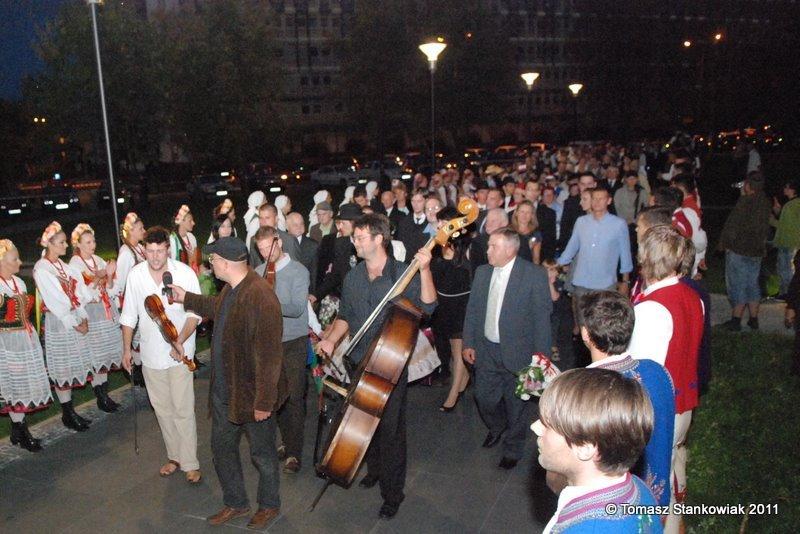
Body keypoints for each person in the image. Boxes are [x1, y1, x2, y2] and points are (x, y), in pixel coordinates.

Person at [316, 213, 436, 520]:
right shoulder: (354, 276)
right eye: (354, 238)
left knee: (391, 431)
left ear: (379, 239)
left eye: (359, 238)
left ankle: (393, 494)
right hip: (359, 360)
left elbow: (428, 306)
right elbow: (345, 316)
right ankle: (375, 469)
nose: (354, 242)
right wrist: (330, 339)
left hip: (391, 364)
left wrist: (424, 270)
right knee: (364, 420)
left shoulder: (402, 273)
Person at [172, 237, 287, 530]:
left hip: (253, 396)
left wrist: (264, 402)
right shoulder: (231, 289)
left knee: (262, 454)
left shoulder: (261, 296)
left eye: (213, 261)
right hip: (226, 392)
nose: (210, 266)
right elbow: (217, 307)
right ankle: (236, 502)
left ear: (225, 263)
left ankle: (269, 505)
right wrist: (186, 297)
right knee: (221, 449)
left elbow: (270, 357)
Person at [626, 225, 703, 534]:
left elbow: (642, 373)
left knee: (655, 484)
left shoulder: (652, 308)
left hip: (660, 412)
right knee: (672, 467)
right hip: (685, 404)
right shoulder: (692, 295)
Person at [531, 368, 662, 534]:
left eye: (547, 424)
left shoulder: (585, 529)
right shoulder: (640, 489)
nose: (535, 427)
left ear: (584, 448)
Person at [462, 228, 552, 470]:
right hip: (486, 351)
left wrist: (540, 363)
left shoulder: (534, 275)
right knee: (484, 398)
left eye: (494, 247)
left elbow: (542, 321)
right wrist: (468, 342)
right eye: (488, 245)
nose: (487, 251)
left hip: (519, 354)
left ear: (510, 250)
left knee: (517, 407)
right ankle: (497, 426)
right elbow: (473, 310)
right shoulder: (482, 272)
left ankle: (513, 448)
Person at [119, 226, 202, 484]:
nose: (155, 257)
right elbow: (129, 315)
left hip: (181, 353)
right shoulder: (136, 275)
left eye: (160, 251)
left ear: (168, 249)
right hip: (151, 355)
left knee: (182, 408)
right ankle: (174, 456)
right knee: (162, 409)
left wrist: (179, 341)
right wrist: (126, 349)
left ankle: (190, 462)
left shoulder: (184, 273)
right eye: (150, 251)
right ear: (144, 250)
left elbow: (194, 314)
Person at [578, 291, 675, 507]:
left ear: (585, 333)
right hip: (656, 502)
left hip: (610, 506)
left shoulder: (588, 391)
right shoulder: (658, 372)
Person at [253, 226, 310, 475]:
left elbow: (297, 309)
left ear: (279, 243)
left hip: (294, 341)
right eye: (261, 249)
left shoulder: (298, 271)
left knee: (294, 397)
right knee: (276, 398)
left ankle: (294, 453)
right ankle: (286, 442)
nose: (266, 253)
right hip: (269, 343)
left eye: (269, 246)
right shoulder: (258, 273)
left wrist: (268, 300)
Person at [33, 222, 97, 432]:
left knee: (71, 364)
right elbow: (56, 301)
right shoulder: (42, 269)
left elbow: (79, 292)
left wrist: (82, 316)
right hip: (59, 322)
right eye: (61, 242)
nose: (66, 246)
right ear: (50, 244)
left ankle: (71, 411)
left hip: (72, 317)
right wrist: (75, 322)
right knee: (63, 367)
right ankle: (67, 412)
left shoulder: (62, 266)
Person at [0, 239, 52, 451]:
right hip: (6, 343)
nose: (20, 262)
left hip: (24, 339)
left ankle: (17, 430)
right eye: (15, 259)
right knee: (14, 384)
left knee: (22, 383)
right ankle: (22, 432)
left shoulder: (18, 283)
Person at [68, 223, 123, 413]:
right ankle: (100, 395)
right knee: (95, 353)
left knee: (105, 352)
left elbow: (111, 289)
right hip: (91, 312)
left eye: (93, 241)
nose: (93, 245)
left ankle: (104, 394)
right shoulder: (75, 265)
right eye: (88, 242)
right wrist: (99, 277)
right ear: (78, 244)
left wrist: (109, 276)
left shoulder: (98, 259)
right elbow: (80, 294)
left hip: (104, 310)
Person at [430, 207, 472, 411]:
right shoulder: (436, 246)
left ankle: (453, 395)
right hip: (442, 306)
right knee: (454, 354)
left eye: (443, 222)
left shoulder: (467, 248)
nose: (438, 226)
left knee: (458, 351)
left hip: (462, 306)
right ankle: (464, 380)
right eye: (438, 222)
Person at [717, 172, 771, 331]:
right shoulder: (765, 202)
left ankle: (736, 320)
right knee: (752, 283)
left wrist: (724, 243)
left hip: (740, 249)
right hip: (756, 250)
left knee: (738, 284)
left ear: (748, 185)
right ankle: (753, 319)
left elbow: (733, 224)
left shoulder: (745, 201)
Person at [558, 188, 633, 297]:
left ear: (608, 201)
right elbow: (571, 248)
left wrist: (625, 281)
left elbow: (625, 254)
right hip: (581, 281)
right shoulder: (581, 221)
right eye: (594, 198)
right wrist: (557, 264)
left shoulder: (619, 224)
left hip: (605, 284)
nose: (597, 202)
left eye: (601, 199)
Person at [312, 203, 361, 304]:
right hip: (344, 297)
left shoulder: (370, 244)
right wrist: (316, 295)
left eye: (343, 223)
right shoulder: (341, 243)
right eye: (339, 223)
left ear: (355, 224)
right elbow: (335, 275)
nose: (340, 227)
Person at [542, 259, 575, 370]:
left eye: (552, 269)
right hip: (547, 313)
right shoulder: (539, 282)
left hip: (560, 313)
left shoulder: (560, 281)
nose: (549, 272)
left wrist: (550, 282)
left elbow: (555, 297)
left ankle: (554, 347)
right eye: (546, 269)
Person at [770, 181, 800, 298]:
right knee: (785, 269)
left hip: (789, 242)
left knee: (786, 269)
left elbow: (785, 226)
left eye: (787, 187)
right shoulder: (792, 204)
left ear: (793, 190)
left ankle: (787, 293)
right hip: (790, 241)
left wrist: (771, 219)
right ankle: (785, 292)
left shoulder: (792, 205)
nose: (784, 189)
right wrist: (779, 212)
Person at [248, 203, 299, 267]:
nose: (263, 222)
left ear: (276, 219)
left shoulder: (289, 240)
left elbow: (295, 267)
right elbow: (253, 266)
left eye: (267, 218)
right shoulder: (254, 240)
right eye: (261, 218)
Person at [285, 212, 318, 295]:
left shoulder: (313, 245)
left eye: (301, 224)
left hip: (304, 291)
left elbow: (314, 272)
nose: (299, 227)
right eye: (295, 225)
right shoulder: (280, 243)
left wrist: (312, 294)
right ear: (287, 227)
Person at [396, 190, 430, 257]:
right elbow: (400, 245)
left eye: (419, 201)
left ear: (426, 201)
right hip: (407, 260)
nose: (415, 205)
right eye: (413, 201)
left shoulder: (431, 222)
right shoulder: (404, 221)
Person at [170, 204, 201, 274]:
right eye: (190, 221)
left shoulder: (191, 237)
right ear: (181, 221)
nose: (193, 223)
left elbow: (197, 261)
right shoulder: (173, 240)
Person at [510, 200, 542, 264]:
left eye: (528, 212)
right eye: (522, 211)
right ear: (516, 213)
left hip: (526, 266)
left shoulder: (536, 234)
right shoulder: (509, 231)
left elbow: (536, 258)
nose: (524, 215)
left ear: (532, 215)